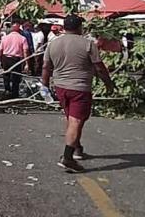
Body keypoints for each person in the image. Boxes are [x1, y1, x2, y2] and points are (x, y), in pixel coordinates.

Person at [42, 15, 116, 173]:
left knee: (70, 118)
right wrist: (109, 84)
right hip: (79, 88)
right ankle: (68, 158)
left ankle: (77, 148)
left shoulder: (52, 44)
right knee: (76, 121)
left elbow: (46, 67)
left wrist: (45, 85)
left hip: (60, 87)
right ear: (79, 27)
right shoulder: (88, 44)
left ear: (64, 27)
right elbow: (100, 67)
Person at [0, 23, 29, 98]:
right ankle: (14, 93)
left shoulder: (4, 38)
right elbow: (25, 51)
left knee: (6, 75)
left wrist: (0, 60)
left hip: (6, 58)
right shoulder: (22, 38)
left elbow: (0, 50)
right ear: (19, 30)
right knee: (16, 77)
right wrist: (26, 63)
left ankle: (7, 90)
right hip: (16, 59)